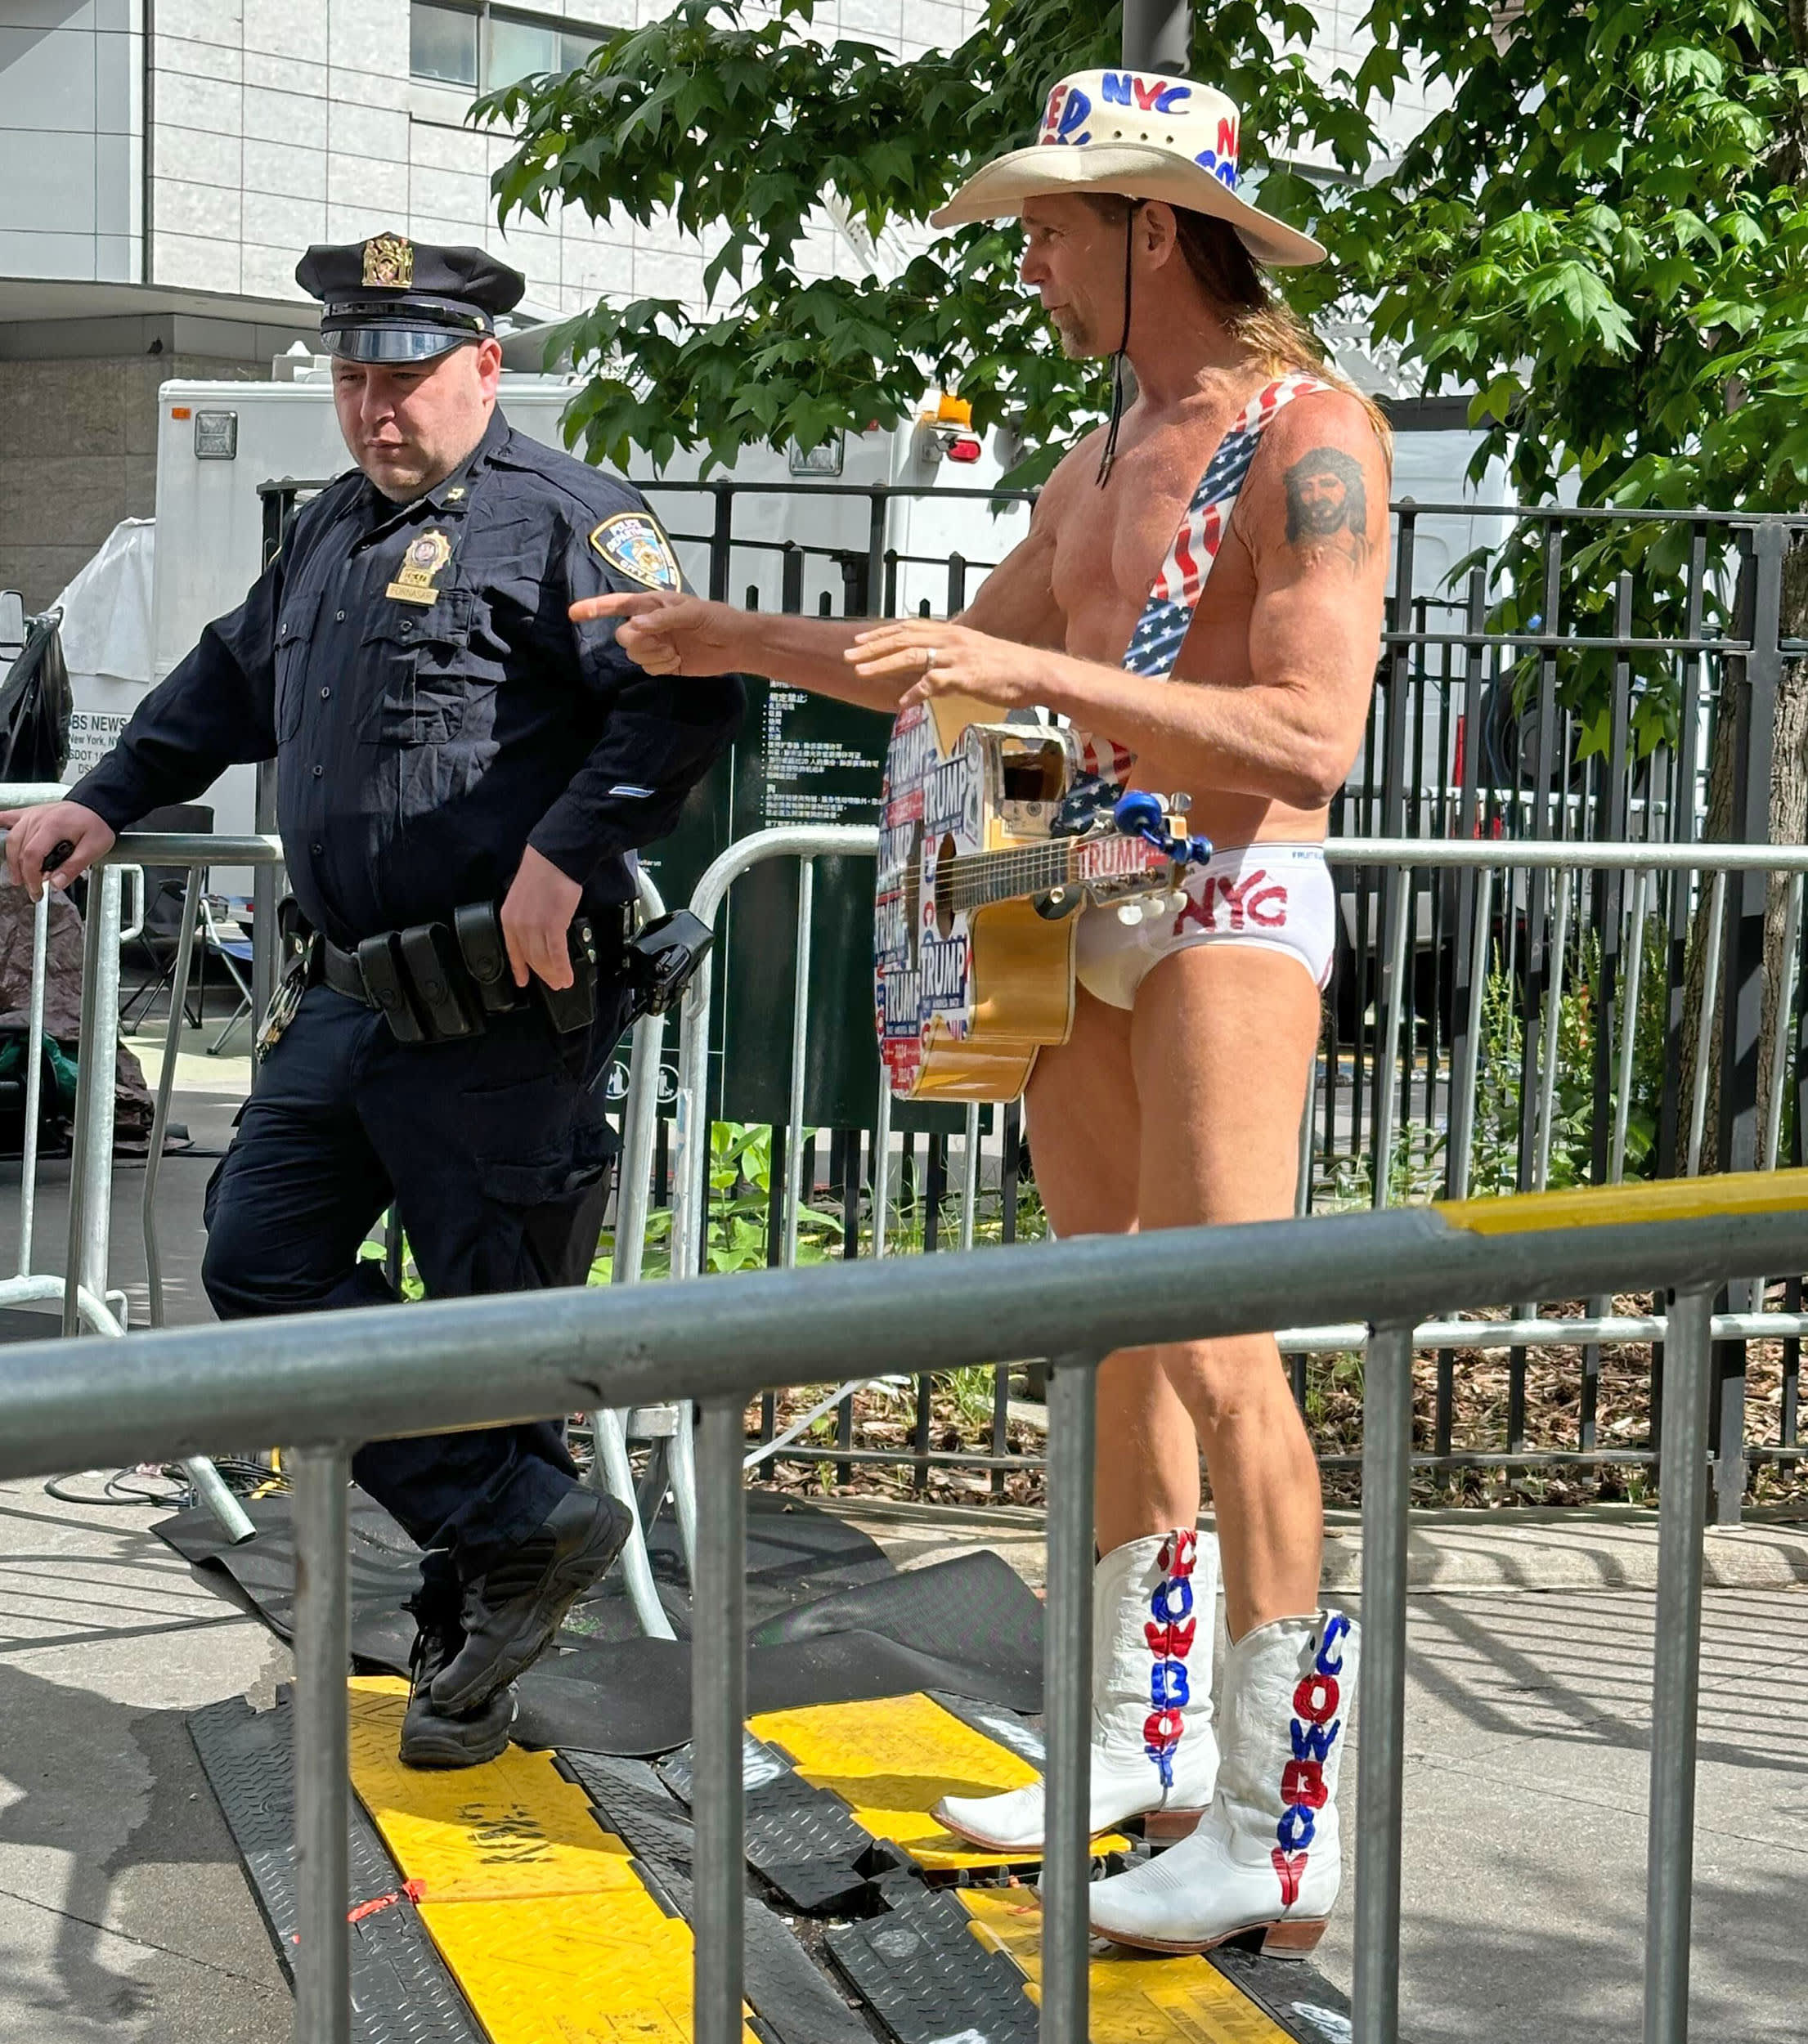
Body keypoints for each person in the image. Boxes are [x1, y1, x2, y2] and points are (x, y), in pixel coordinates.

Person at [572, 70, 1387, 1956]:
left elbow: (1308, 739)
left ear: (1154, 230)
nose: (1022, 259)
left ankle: (1283, 1815)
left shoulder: (1308, 439)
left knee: (1219, 1338)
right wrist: (728, 637)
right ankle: (1131, 1742)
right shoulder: (1093, 459)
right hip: (1073, 898)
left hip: (1225, 899)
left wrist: (1019, 661)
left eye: (1048, 224)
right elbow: (937, 662)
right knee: (1101, 1330)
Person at [2, 235, 742, 1771]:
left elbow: (681, 701)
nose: (372, 406)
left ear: (485, 366)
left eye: (402, 375)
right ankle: (524, 1524)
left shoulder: (572, 522)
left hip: (503, 1008)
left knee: (491, 1332)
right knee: (257, 1261)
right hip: (348, 992)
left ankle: (469, 1665)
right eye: (351, 376)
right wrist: (106, 793)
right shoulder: (334, 530)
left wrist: (567, 848)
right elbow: (223, 677)